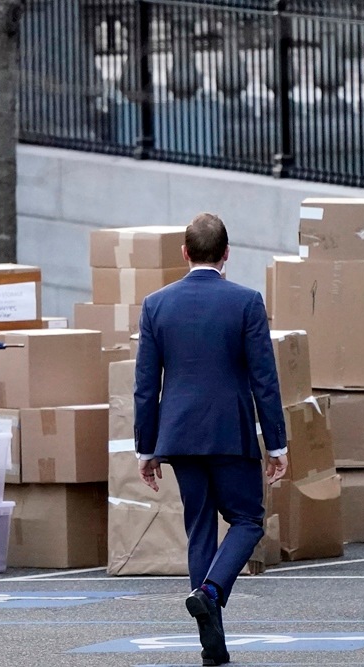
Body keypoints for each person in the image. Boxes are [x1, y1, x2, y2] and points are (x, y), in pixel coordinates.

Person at [134, 213, 289, 666]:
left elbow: (146, 385)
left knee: (198, 527)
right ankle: (211, 590)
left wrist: (146, 448)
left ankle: (213, 646)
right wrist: (276, 443)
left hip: (178, 434)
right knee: (247, 520)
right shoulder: (246, 302)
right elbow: (265, 379)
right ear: (226, 254)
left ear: (184, 252)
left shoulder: (156, 304)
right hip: (230, 432)